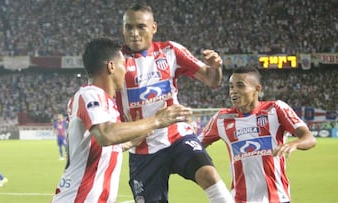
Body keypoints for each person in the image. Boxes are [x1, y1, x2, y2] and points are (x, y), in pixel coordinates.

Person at [116, 2, 233, 203]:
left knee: (208, 175)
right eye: (129, 27)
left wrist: (215, 67)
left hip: (177, 137)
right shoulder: (115, 61)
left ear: (153, 27)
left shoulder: (171, 51)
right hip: (142, 150)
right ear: (123, 29)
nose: (134, 33)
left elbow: (212, 80)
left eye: (141, 26)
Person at [51, 37, 193, 203]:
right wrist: (156, 120)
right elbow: (107, 135)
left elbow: (108, 145)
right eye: (123, 65)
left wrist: (139, 136)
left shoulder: (106, 102)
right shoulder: (89, 94)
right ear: (111, 66)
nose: (126, 71)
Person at [199, 66, 317, 203]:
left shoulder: (276, 109)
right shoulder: (221, 118)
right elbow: (195, 146)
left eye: (240, 86)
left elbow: (309, 138)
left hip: (277, 198)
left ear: (257, 89)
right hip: (240, 200)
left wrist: (294, 144)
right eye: (231, 87)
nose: (233, 91)